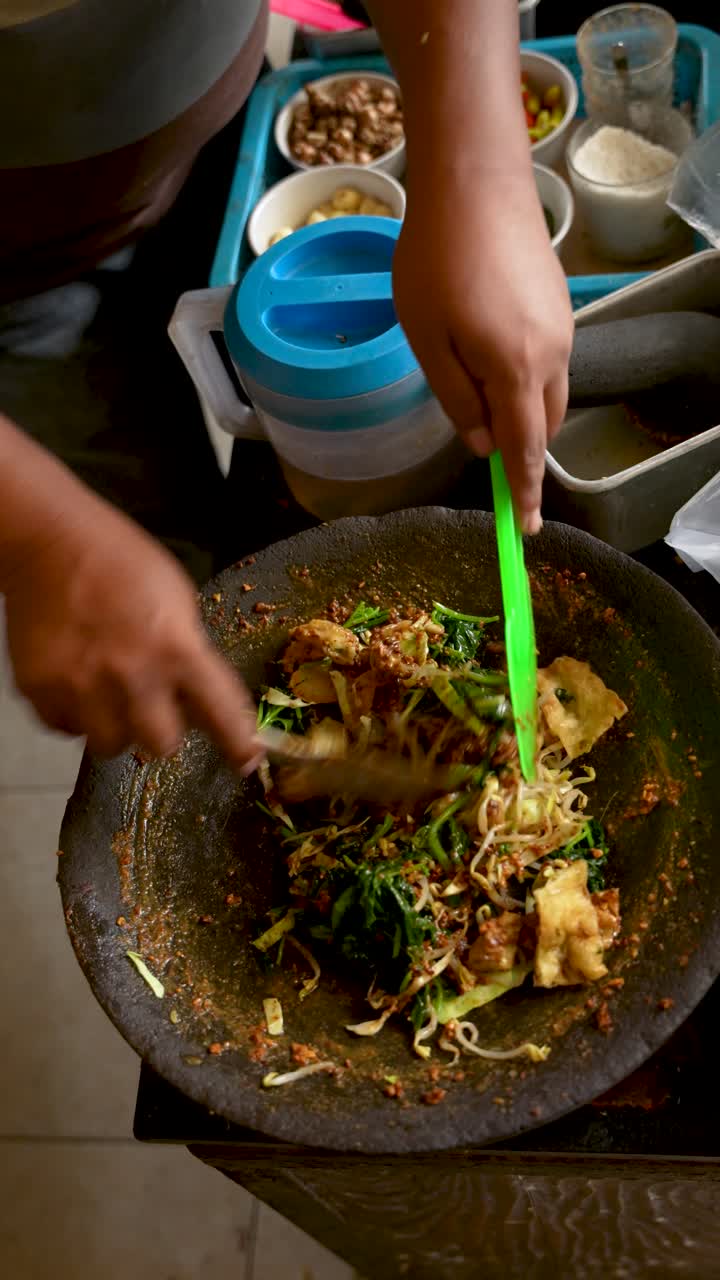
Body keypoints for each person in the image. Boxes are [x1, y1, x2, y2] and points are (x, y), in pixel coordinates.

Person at [0, 0, 573, 766]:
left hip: (223, 141)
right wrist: (38, 538)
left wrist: (480, 168)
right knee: (134, 538)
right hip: (16, 279)